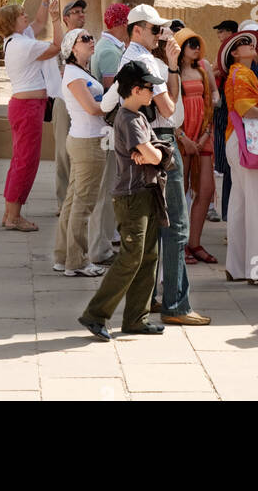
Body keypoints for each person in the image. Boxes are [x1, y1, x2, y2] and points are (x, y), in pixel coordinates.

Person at [108, 5, 210, 326]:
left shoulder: (130, 57)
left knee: (153, 224)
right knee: (176, 224)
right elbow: (171, 110)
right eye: (155, 30)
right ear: (136, 29)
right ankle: (177, 304)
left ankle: (148, 299)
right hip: (161, 141)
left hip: (145, 141)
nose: (161, 36)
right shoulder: (147, 60)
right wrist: (173, 67)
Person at [78, 60, 171, 340]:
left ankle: (136, 318)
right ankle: (95, 315)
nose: (152, 92)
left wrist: (157, 155)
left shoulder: (139, 116)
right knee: (131, 258)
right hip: (132, 198)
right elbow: (156, 156)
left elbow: (161, 155)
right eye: (147, 87)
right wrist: (156, 155)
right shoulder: (129, 119)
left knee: (148, 257)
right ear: (133, 89)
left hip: (146, 192)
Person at [0, 0, 63, 231]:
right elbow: (57, 46)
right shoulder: (24, 45)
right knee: (26, 162)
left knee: (19, 160)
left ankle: (9, 213)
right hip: (28, 108)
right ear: (12, 22)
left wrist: (44, 3)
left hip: (22, 106)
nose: (26, 16)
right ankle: (14, 216)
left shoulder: (15, 40)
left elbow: (38, 23)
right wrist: (57, 19)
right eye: (21, 15)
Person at [220, 29, 258, 285]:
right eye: (244, 44)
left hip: (236, 140)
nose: (251, 45)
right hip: (248, 141)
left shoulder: (237, 73)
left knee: (240, 203)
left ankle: (238, 266)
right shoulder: (243, 73)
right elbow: (245, 109)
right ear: (234, 53)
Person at [52, 27, 107, 277]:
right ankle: (77, 260)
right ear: (73, 47)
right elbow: (93, 108)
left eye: (91, 37)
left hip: (86, 139)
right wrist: (117, 97)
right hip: (88, 142)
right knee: (83, 204)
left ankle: (63, 257)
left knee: (74, 200)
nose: (91, 41)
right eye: (85, 39)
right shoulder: (74, 74)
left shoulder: (81, 71)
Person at [87, 1, 131, 265]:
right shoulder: (108, 51)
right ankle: (100, 248)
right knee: (106, 191)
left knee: (109, 188)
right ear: (122, 24)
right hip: (108, 128)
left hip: (107, 127)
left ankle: (104, 242)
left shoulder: (109, 47)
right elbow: (112, 90)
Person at [173, 27, 219, 264]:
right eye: (190, 43)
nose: (196, 47)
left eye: (197, 43)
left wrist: (205, 133)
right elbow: (167, 109)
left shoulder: (202, 70)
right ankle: (178, 245)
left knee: (206, 190)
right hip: (182, 137)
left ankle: (195, 242)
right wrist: (182, 137)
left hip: (202, 135)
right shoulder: (172, 73)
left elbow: (212, 102)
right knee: (179, 193)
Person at [53, 0, 87, 212]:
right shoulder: (62, 41)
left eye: (82, 11)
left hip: (84, 101)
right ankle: (64, 200)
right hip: (65, 100)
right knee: (63, 152)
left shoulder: (88, 39)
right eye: (75, 12)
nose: (80, 14)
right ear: (66, 18)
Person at [211, 21, 239, 221]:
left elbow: (217, 72)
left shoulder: (230, 52)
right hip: (225, 107)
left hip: (228, 107)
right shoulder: (226, 50)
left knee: (230, 167)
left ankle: (230, 213)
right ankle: (229, 214)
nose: (219, 34)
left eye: (222, 31)